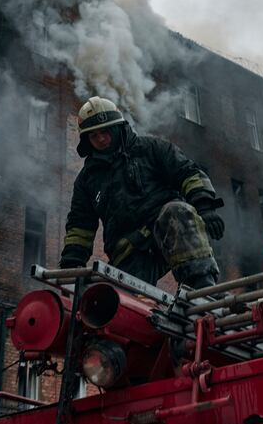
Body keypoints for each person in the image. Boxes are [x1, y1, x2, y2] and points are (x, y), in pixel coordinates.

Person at [59, 96, 224, 290]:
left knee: (176, 211)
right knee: (124, 304)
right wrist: (72, 264)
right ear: (86, 140)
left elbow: (188, 173)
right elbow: (80, 225)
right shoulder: (87, 180)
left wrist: (205, 207)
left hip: (166, 229)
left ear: (117, 128)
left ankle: (202, 287)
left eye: (105, 131)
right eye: (94, 136)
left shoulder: (151, 149)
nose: (101, 139)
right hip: (128, 250)